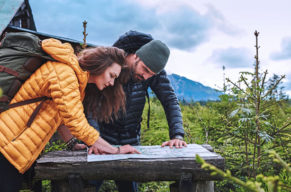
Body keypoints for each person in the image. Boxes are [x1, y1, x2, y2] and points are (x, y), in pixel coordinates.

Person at [0, 38, 139, 192]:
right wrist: (115, 151)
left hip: (17, 148)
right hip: (6, 145)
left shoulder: (75, 80)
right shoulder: (65, 74)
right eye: (111, 75)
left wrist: (72, 142)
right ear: (100, 65)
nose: (112, 83)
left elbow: (61, 117)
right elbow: (76, 122)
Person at [59, 31, 187, 192]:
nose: (146, 76)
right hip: (101, 138)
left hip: (131, 141)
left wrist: (177, 135)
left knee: (129, 188)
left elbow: (169, 100)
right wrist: (95, 141)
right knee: (87, 186)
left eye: (151, 74)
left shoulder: (152, 67)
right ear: (135, 56)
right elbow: (91, 104)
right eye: (144, 70)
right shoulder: (112, 64)